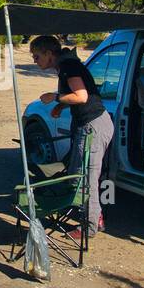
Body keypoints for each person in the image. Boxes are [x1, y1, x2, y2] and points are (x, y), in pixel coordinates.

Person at [29, 35, 114, 242]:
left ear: (49, 54)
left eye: (37, 56)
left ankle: (90, 227)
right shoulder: (65, 65)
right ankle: (96, 217)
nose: (34, 60)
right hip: (89, 123)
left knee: (85, 177)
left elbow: (82, 96)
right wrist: (60, 106)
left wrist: (55, 98)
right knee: (79, 172)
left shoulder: (68, 66)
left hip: (93, 124)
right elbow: (77, 95)